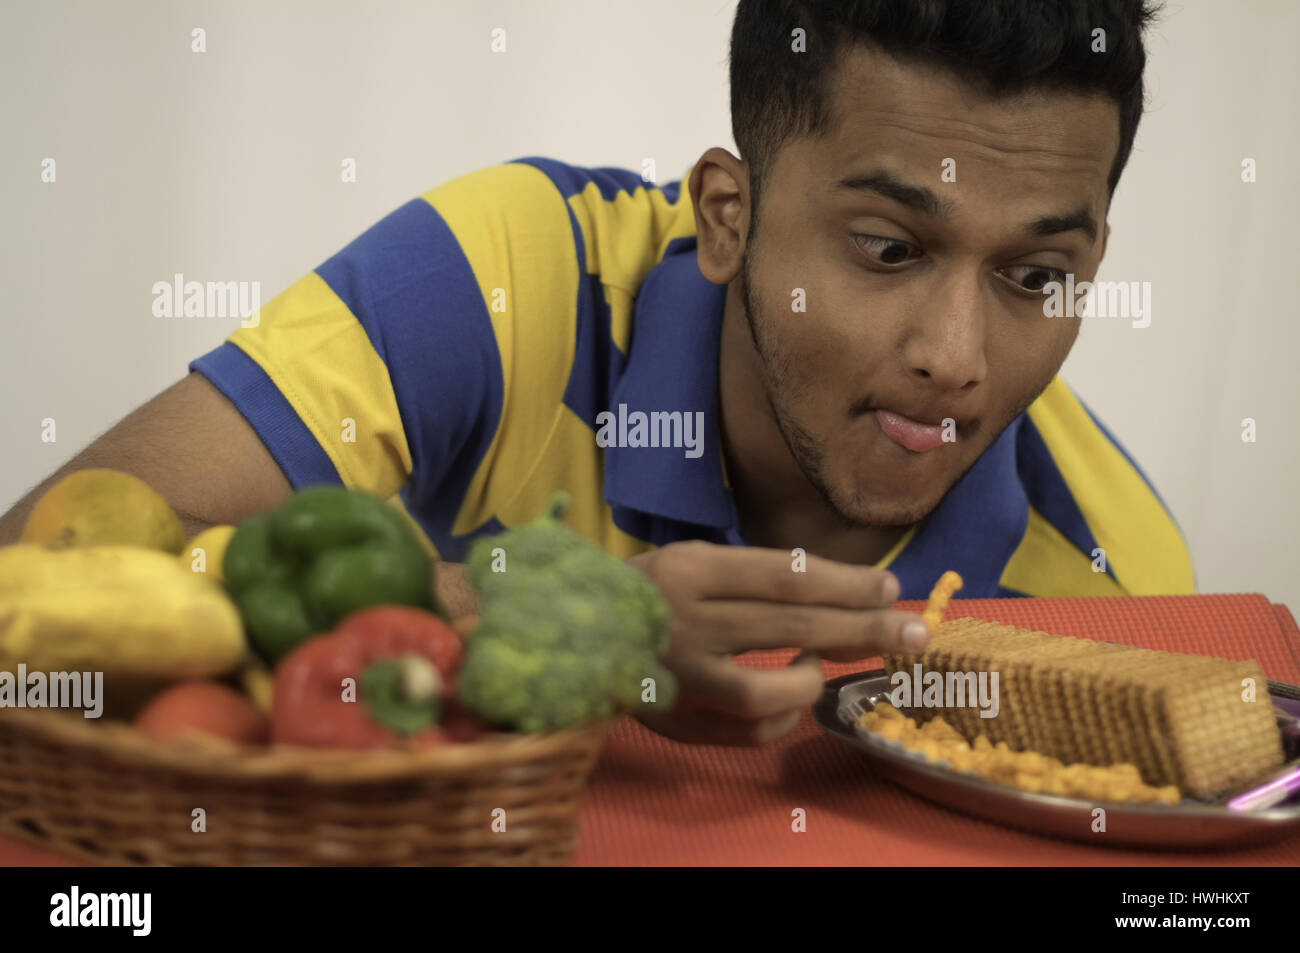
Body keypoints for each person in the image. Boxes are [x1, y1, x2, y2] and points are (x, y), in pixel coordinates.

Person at [0, 0, 1192, 746]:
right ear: (725, 216)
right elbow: (31, 573)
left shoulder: (1123, 581)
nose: (956, 356)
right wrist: (561, 626)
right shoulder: (506, 267)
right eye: (886, 248)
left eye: (1035, 276)